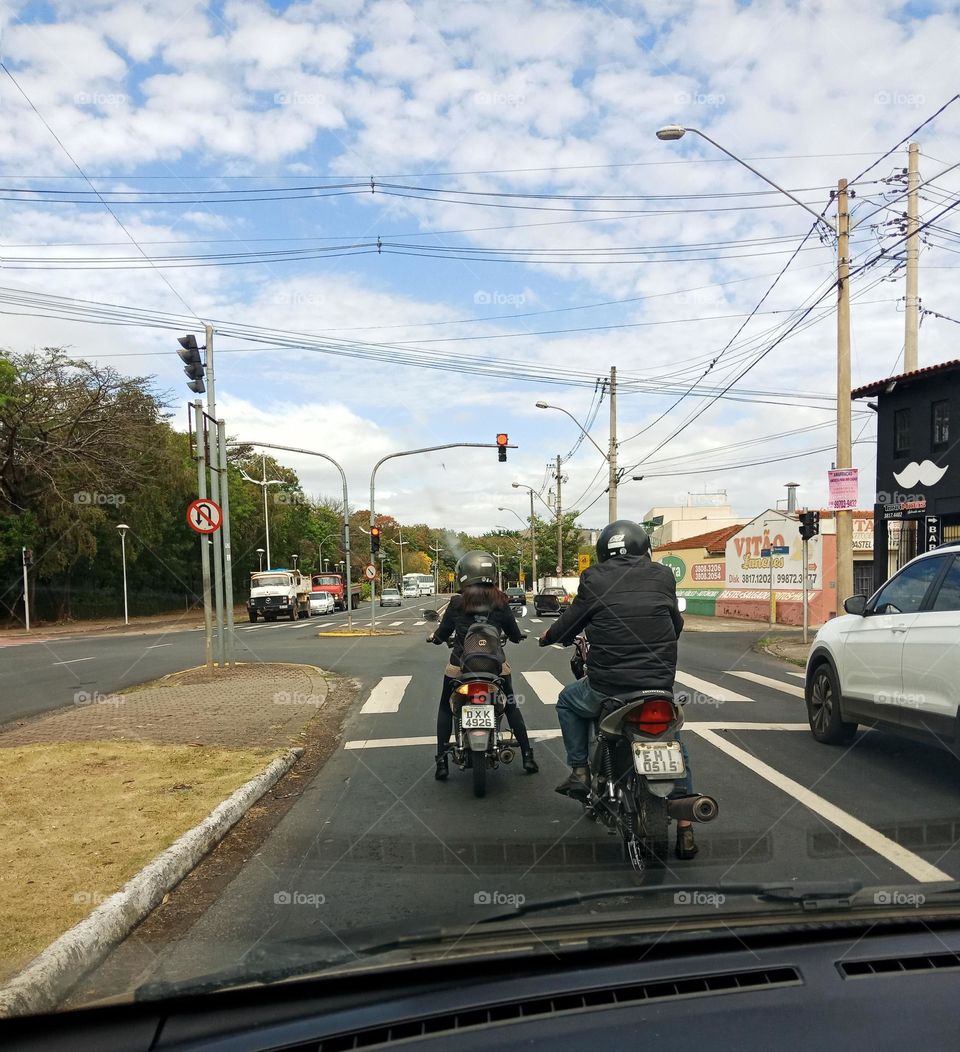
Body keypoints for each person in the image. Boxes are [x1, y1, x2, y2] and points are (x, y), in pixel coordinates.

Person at [538, 520, 698, 860]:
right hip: (658, 686)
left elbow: (570, 624)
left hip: (609, 687)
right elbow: (676, 624)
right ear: (645, 549)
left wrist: (549, 637)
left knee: (567, 701)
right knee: (673, 740)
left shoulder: (594, 578)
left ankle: (580, 770)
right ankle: (686, 828)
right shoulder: (663, 576)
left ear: (602, 552)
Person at [430, 551, 539, 780]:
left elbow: (443, 633)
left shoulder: (457, 602)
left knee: (444, 707)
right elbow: (514, 632)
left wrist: (437, 638)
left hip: (460, 666)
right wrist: (517, 637)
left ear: (464, 575)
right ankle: (528, 755)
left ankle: (441, 761)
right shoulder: (500, 601)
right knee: (510, 705)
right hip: (494, 667)